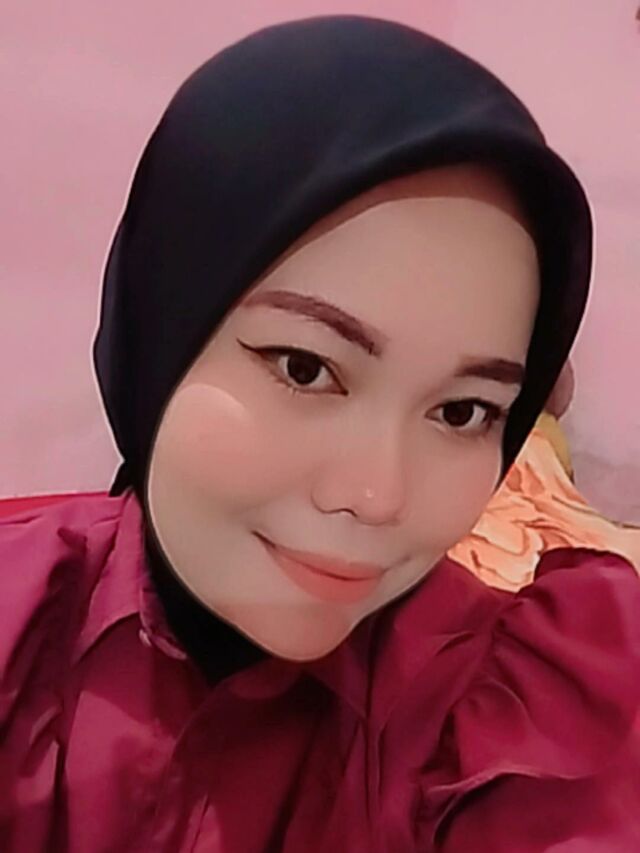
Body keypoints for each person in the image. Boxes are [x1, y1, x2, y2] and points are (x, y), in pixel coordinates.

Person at [1, 15, 639, 852]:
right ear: (158, 329)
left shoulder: (526, 717)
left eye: (462, 411)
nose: (376, 494)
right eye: (305, 368)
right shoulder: (17, 618)